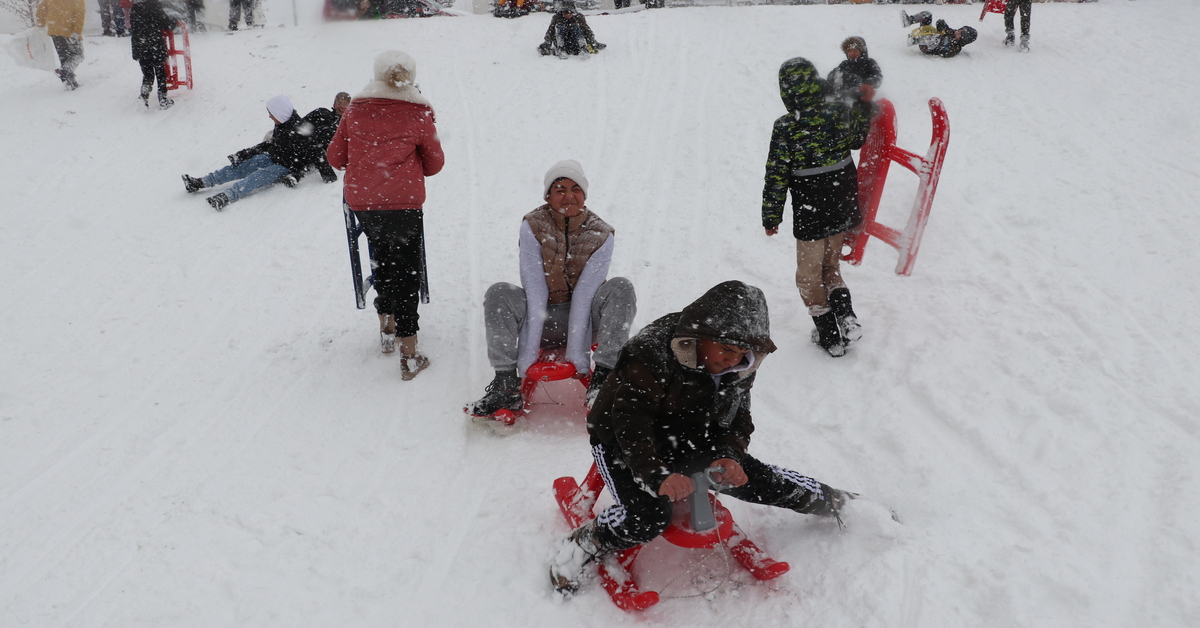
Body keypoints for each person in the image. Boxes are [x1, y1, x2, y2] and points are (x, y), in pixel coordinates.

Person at [548, 280, 850, 595]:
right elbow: (630, 423)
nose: (734, 360)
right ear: (701, 337)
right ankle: (585, 542)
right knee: (647, 518)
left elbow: (737, 418)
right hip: (621, 442)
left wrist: (729, 456)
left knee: (755, 478)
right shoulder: (650, 350)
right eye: (727, 350)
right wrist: (656, 475)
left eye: (743, 352)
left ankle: (836, 502)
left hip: (692, 436)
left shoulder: (741, 364)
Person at [464, 160, 637, 420]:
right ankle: (504, 386)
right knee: (499, 292)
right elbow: (534, 290)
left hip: (586, 319)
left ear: (584, 195)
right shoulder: (533, 225)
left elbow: (585, 294)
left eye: (575, 189)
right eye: (560, 189)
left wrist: (577, 356)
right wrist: (528, 357)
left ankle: (603, 381)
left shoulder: (602, 233)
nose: (569, 196)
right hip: (541, 315)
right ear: (548, 196)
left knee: (621, 287)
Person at [326, 51, 445, 379]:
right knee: (406, 270)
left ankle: (386, 324)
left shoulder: (355, 110)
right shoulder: (419, 112)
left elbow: (335, 157)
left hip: (366, 202)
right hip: (404, 203)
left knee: (381, 257)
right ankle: (409, 352)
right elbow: (435, 163)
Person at [762, 58, 871, 358]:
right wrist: (861, 106)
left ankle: (829, 335)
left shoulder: (786, 126)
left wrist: (771, 216)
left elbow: (776, 174)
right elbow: (857, 140)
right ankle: (846, 316)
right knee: (830, 266)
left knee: (808, 276)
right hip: (841, 203)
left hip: (812, 210)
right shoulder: (838, 111)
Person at [182, 95, 327, 210]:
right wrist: (244, 154)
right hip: (272, 156)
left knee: (257, 176)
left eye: (271, 113)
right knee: (242, 167)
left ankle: (226, 196)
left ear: (280, 113)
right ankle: (201, 182)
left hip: (286, 167)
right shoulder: (283, 124)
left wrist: (324, 175)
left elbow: (317, 153)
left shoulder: (301, 131)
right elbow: (270, 144)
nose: (270, 116)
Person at [129, 0, 176, 109]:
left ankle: (144, 97)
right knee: (160, 72)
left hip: (140, 44)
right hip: (154, 44)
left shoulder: (135, 7)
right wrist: (174, 21)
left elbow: (133, 25)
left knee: (147, 74)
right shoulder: (154, 5)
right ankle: (163, 99)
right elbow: (167, 24)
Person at [299, 92, 351, 184]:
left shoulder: (348, 125)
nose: (341, 106)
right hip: (300, 144)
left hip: (316, 151)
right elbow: (300, 124)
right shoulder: (321, 112)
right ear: (334, 105)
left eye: (345, 104)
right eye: (339, 103)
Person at [35, 0, 85, 90]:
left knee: (64, 57)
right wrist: (77, 31)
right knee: (78, 55)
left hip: (54, 30)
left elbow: (41, 8)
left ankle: (70, 82)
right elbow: (80, 12)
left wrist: (41, 23)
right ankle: (65, 72)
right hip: (69, 29)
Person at [826, 36, 882, 106]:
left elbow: (877, 77)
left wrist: (867, 83)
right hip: (843, 96)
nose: (852, 53)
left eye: (855, 50)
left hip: (861, 95)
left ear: (862, 51)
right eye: (849, 51)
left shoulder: (869, 63)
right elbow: (835, 74)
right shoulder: (845, 64)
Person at [538, 1, 605, 58]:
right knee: (559, 26)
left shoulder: (578, 18)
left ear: (572, 12)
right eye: (564, 12)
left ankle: (583, 48)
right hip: (563, 41)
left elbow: (587, 30)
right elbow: (551, 31)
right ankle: (561, 49)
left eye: (568, 13)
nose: (566, 15)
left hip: (575, 42)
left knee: (576, 27)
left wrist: (593, 42)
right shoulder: (557, 18)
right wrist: (547, 42)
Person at [901, 11, 977, 59]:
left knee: (939, 38)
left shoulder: (956, 47)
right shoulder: (953, 32)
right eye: (959, 30)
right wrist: (941, 25)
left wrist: (946, 41)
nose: (957, 32)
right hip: (928, 36)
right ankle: (909, 20)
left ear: (962, 40)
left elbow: (945, 53)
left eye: (959, 34)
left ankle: (915, 40)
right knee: (927, 14)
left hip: (928, 47)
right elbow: (945, 28)